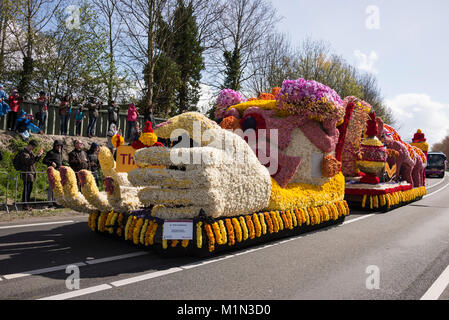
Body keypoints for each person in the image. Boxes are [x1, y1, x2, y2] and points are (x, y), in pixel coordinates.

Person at [16, 140, 43, 210]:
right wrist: (37, 156)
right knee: (26, 190)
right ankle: (25, 205)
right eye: (33, 146)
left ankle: (27, 203)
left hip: (31, 173)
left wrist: (39, 156)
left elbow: (34, 161)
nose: (34, 148)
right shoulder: (24, 153)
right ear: (30, 145)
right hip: (26, 173)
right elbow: (29, 162)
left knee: (29, 189)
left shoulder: (30, 152)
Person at [43, 140, 64, 206]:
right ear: (55, 146)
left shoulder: (60, 153)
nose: (59, 147)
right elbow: (44, 160)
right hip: (52, 172)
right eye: (57, 146)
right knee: (51, 187)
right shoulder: (51, 152)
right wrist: (51, 163)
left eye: (60, 146)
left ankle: (56, 202)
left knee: (58, 187)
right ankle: (50, 203)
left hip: (59, 172)